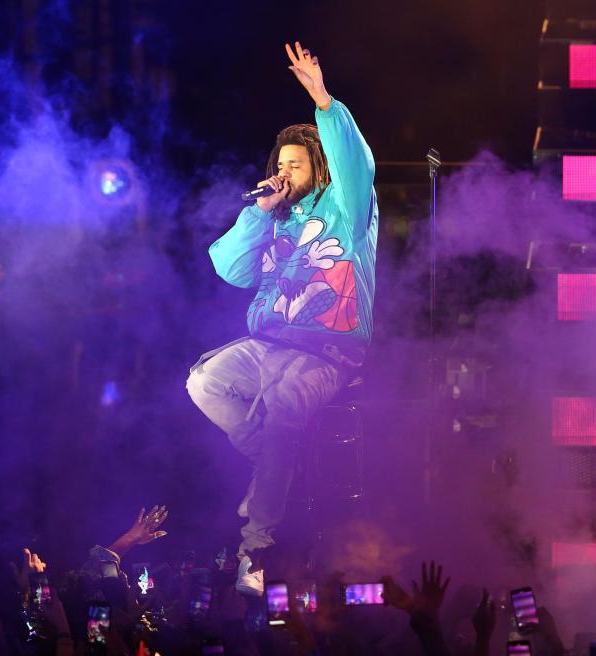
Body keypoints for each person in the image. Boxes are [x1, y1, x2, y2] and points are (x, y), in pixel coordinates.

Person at [186, 40, 378, 596]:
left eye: (296, 164)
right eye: (280, 165)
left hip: (327, 348)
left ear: (318, 168)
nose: (284, 172)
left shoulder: (348, 205)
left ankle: (257, 551)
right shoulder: (274, 217)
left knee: (286, 408)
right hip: (268, 342)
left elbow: (355, 164)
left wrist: (322, 98)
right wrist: (258, 212)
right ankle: (275, 460)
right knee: (205, 381)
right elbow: (229, 270)